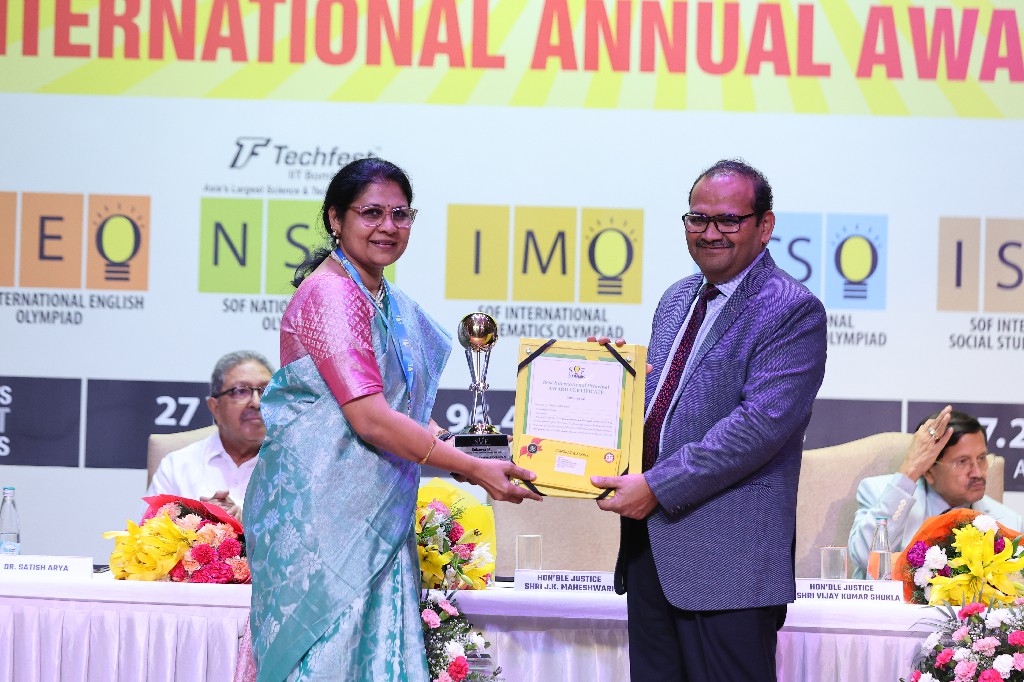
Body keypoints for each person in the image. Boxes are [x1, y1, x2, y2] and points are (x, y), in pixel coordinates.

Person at [242, 157, 541, 682]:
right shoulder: (332, 294)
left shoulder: (383, 298)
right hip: (325, 526)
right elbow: (371, 420)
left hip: (376, 512)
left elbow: (402, 417)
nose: (388, 226)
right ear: (335, 218)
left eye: (401, 214)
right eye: (372, 213)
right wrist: (472, 467)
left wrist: (478, 450)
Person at [590, 159, 827, 681]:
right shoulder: (677, 297)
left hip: (729, 566)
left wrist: (656, 486)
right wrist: (604, 380)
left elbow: (757, 427)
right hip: (651, 550)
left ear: (764, 226)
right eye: (698, 219)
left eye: (728, 220)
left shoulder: (792, 309)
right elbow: (661, 406)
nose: (710, 232)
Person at [849, 406, 1022, 578]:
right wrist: (910, 471)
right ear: (930, 470)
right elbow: (867, 560)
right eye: (962, 462)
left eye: (981, 458)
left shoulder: (1009, 522)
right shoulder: (880, 494)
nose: (977, 472)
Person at [147, 350, 274, 522]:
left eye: (266, 390)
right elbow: (147, 533)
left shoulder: (293, 469)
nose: (256, 402)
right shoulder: (177, 467)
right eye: (241, 391)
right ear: (215, 408)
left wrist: (246, 526)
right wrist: (200, 523)